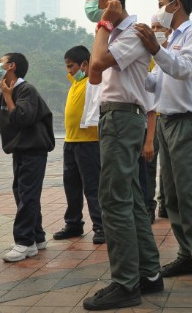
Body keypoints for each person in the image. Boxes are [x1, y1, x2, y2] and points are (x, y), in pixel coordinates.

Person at [81, 0, 162, 310]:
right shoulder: (120, 33)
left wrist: (103, 25)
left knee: (113, 201)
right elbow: (97, 73)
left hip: (122, 119)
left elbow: (96, 64)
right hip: (120, 118)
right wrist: (106, 28)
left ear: (109, 0)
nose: (87, 6)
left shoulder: (132, 33)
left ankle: (125, 283)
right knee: (127, 198)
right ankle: (149, 274)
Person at [136, 0, 192, 295]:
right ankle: (188, 255)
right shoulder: (169, 41)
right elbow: (154, 84)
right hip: (167, 121)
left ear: (175, 4)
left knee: (189, 194)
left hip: (188, 121)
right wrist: (130, 66)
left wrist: (156, 49)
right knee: (170, 196)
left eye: (161, 3)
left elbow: (184, 70)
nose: (158, 10)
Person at [0, 52, 55, 262]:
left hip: (34, 150)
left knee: (27, 194)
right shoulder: (5, 91)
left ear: (11, 67)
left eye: (1, 62)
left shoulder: (26, 90)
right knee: (22, 192)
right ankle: (37, 237)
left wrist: (8, 98)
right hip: (20, 151)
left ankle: (24, 243)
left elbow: (21, 118)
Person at [55, 45, 104, 243]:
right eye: (67, 67)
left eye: (71, 67)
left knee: (93, 187)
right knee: (71, 186)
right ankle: (73, 224)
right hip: (71, 142)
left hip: (89, 143)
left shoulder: (93, 82)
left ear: (85, 65)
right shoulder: (74, 82)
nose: (69, 71)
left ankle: (101, 226)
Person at [145, 15, 172, 219]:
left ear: (169, 30)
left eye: (159, 27)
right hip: (150, 116)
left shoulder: (172, 55)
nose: (155, 30)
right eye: (152, 27)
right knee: (150, 163)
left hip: (168, 116)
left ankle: (166, 203)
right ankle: (150, 206)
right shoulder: (147, 57)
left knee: (168, 165)